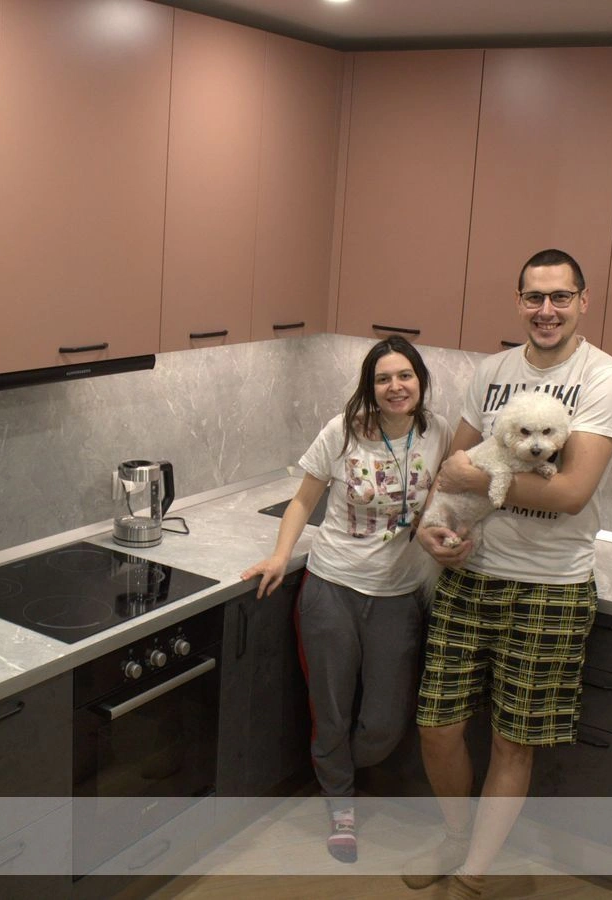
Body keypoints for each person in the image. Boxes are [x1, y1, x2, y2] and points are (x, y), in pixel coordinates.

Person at [403, 249, 612, 899]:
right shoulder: (491, 371)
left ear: (583, 301)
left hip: (551, 585)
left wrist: (474, 478)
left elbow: (571, 494)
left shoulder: (602, 377)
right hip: (470, 572)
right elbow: (451, 467)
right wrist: (428, 528)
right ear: (518, 301)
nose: (546, 310)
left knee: (512, 740)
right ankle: (455, 836)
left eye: (560, 297)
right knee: (436, 724)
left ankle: (473, 870)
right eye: (534, 297)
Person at [241, 335, 451, 864]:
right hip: (332, 587)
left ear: (421, 381)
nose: (395, 386)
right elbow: (302, 501)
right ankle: (340, 802)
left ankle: (338, 768)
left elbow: (448, 498)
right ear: (369, 386)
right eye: (383, 379)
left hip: (398, 595)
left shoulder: (440, 433)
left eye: (405, 376)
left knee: (384, 723)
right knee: (330, 708)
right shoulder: (342, 431)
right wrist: (279, 556)